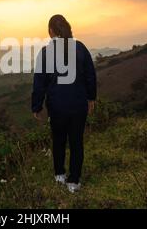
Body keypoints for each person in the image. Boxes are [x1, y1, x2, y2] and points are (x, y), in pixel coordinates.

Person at [31, 14, 96, 193]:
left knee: (58, 141)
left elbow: (39, 82)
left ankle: (59, 175)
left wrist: (36, 106)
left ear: (51, 31)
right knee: (76, 142)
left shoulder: (45, 53)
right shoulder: (80, 48)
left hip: (57, 107)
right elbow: (90, 75)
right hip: (78, 104)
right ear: (68, 28)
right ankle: (74, 181)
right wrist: (91, 98)